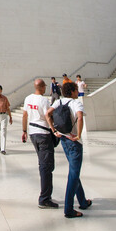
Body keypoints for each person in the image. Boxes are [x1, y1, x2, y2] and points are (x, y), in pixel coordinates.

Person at [47, 81, 92, 219]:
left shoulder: (58, 102)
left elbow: (47, 114)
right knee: (73, 174)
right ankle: (68, 209)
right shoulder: (75, 103)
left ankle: (83, 201)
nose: (77, 92)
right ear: (72, 91)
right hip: (74, 142)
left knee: (74, 171)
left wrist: (53, 130)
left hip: (64, 139)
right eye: (76, 90)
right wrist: (78, 135)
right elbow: (79, 117)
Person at [22, 79, 58, 209]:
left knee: (44, 163)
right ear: (41, 87)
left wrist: (24, 131)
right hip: (43, 134)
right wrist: (54, 130)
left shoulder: (28, 99)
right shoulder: (44, 100)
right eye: (45, 87)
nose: (45, 89)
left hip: (33, 133)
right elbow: (48, 116)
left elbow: (25, 115)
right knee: (46, 166)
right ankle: (44, 198)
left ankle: (46, 195)